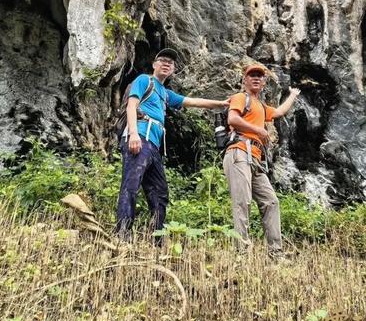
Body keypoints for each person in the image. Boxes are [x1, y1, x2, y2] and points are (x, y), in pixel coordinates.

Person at [116, 47, 227, 243]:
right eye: (163, 60)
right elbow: (131, 105)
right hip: (140, 136)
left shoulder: (166, 94)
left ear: (173, 69)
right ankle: (122, 235)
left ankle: (156, 240)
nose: (166, 64)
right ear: (154, 65)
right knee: (131, 185)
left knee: (160, 193)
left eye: (170, 62)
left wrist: (222, 103)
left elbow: (193, 102)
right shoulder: (144, 80)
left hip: (154, 147)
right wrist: (133, 133)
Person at [223, 63, 300, 256]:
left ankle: (276, 252)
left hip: (256, 159)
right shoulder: (241, 98)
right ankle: (241, 252)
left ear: (264, 82)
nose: (256, 78)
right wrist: (258, 130)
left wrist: (293, 94)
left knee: (271, 201)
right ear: (245, 80)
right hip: (239, 151)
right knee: (242, 201)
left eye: (259, 76)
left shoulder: (262, 107)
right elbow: (233, 119)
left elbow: (279, 112)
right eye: (252, 75)